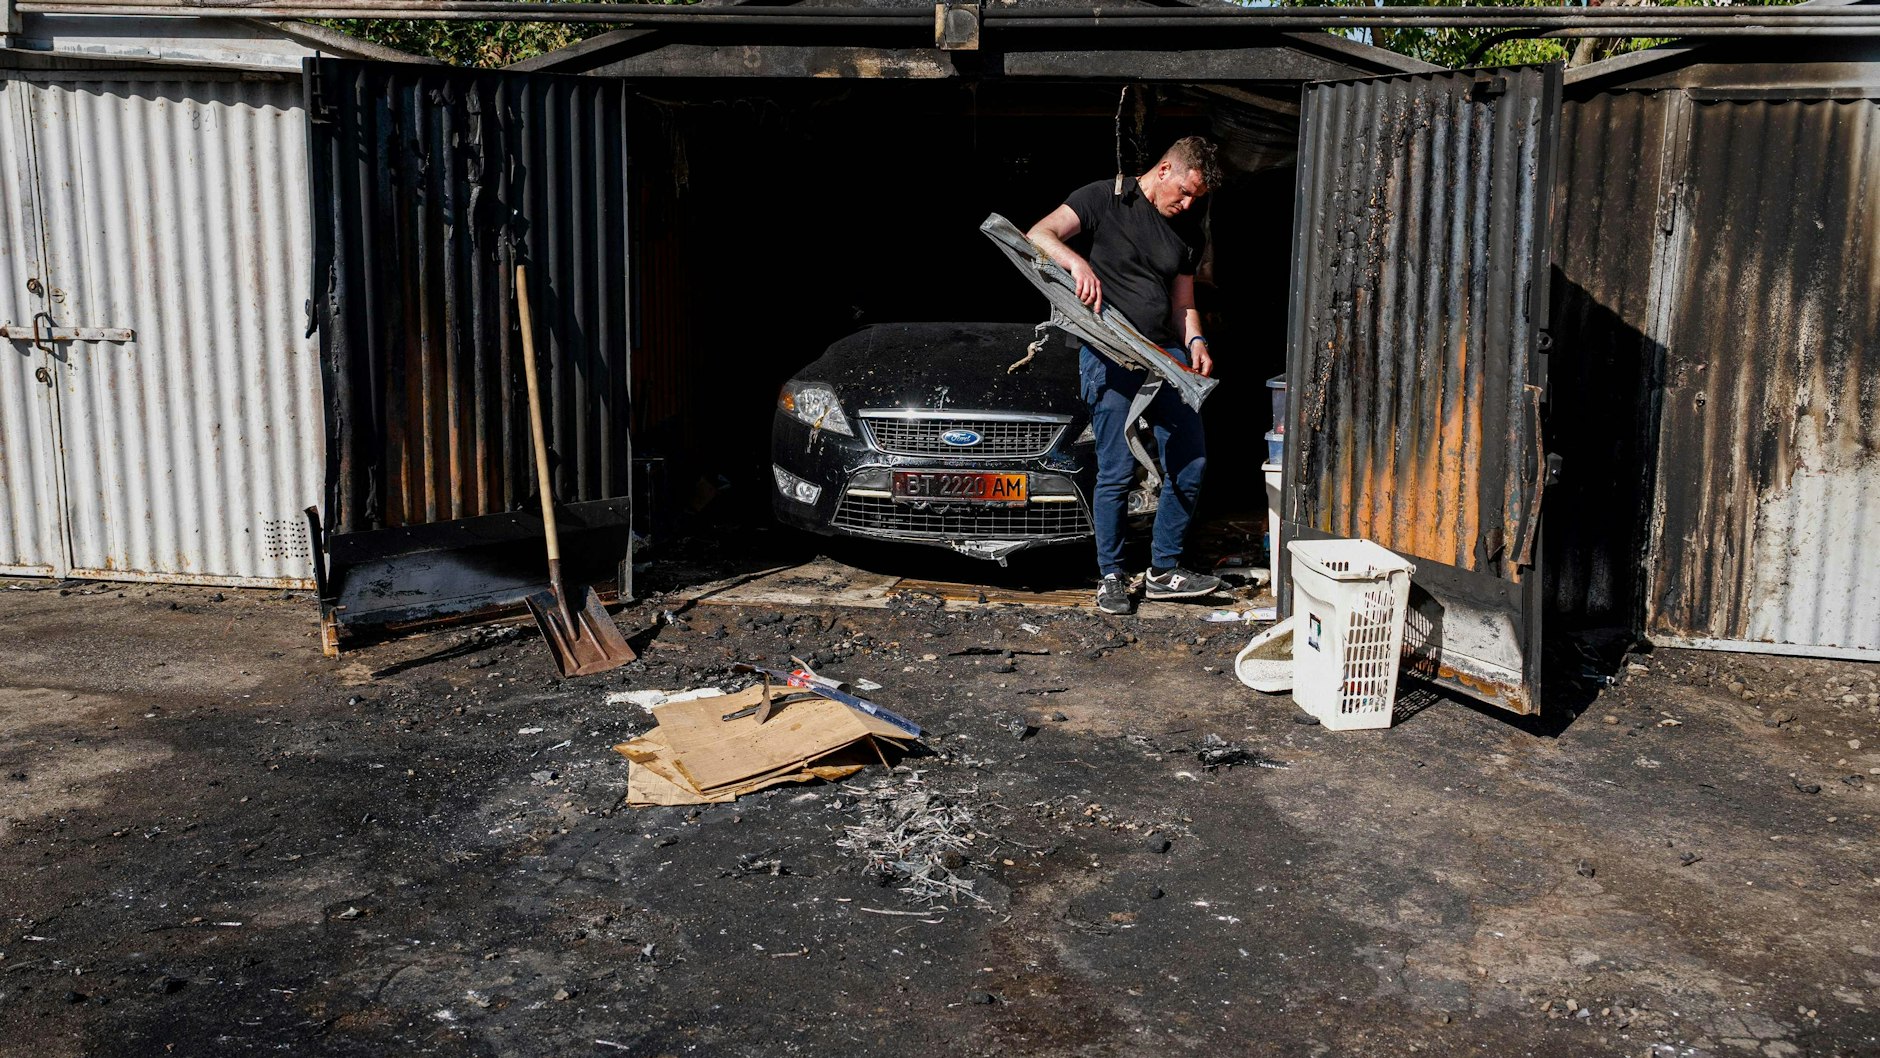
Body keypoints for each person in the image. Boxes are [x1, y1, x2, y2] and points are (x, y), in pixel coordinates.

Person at [1027, 136, 1225, 615]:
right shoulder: (1101, 199)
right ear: (1163, 171)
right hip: (1110, 351)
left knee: (1190, 462)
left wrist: (1195, 341)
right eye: (1184, 191)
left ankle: (1163, 570)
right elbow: (1039, 233)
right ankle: (1112, 576)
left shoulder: (1188, 229)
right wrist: (1078, 264)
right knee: (1116, 470)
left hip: (1166, 356)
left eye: (1196, 197)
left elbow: (1183, 304)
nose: (1188, 203)